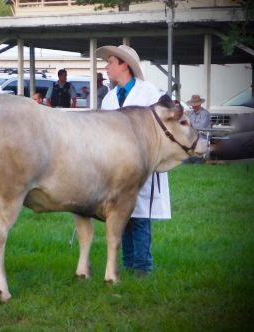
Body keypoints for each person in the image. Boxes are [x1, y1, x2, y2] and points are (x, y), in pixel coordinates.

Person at [95, 44, 170, 277]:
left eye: (110, 63)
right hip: (116, 170)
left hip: (143, 167)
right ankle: (128, 267)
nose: (106, 67)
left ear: (124, 64)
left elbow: (169, 119)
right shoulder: (108, 99)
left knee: (140, 218)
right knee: (122, 217)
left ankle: (142, 270)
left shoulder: (149, 92)